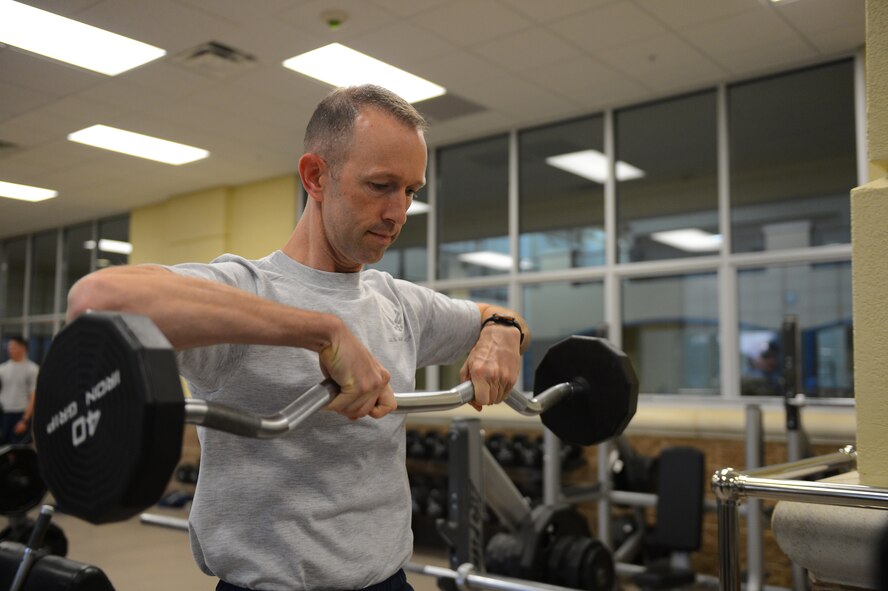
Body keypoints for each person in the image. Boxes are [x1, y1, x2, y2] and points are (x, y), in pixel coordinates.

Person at [66, 84, 531, 591]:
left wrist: (502, 333)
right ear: (315, 176)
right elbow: (97, 298)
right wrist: (322, 331)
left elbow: (497, 315)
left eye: (411, 191)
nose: (399, 213)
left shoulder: (399, 303)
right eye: (380, 185)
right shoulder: (245, 289)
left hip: (388, 582)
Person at [0, 336, 39, 445]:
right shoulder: (2, 369)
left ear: (23, 348)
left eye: (14, 347)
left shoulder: (32, 369)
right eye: (9, 347)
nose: (10, 349)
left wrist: (25, 420)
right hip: (4, 413)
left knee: (20, 451)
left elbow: (33, 396)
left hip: (20, 413)